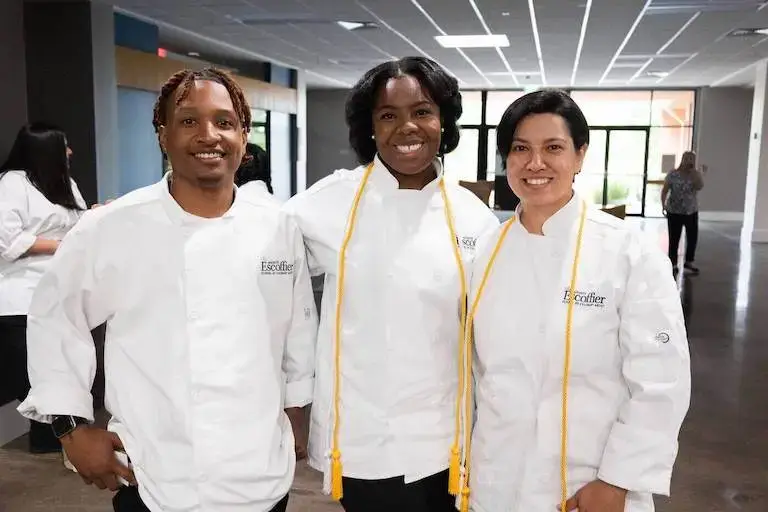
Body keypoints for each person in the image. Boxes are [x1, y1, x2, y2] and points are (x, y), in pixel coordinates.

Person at [18, 67, 318, 512]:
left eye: (224, 121)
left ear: (242, 136)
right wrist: (72, 428)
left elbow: (298, 331)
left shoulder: (276, 225)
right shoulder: (113, 226)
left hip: (260, 475)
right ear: (163, 135)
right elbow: (56, 317)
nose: (209, 135)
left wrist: (297, 415)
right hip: (154, 475)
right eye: (189, 121)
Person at [283, 56, 499, 512]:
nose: (407, 127)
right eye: (388, 115)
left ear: (443, 120)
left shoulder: (472, 216)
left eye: (422, 111)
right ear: (370, 128)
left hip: (450, 438)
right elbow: (262, 263)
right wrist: (292, 395)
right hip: (366, 440)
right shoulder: (330, 203)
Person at [462, 90, 691, 512]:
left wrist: (617, 481)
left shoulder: (628, 253)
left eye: (553, 148)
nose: (535, 163)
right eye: (520, 149)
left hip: (590, 486)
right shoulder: (486, 251)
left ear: (580, 155)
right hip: (496, 483)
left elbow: (661, 381)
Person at [0, 122, 86, 454]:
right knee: (29, 376)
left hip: (58, 293)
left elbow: (78, 227)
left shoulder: (65, 183)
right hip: (20, 297)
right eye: (64, 146)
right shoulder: (12, 184)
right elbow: (9, 241)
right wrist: (62, 244)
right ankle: (50, 440)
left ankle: (55, 442)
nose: (70, 152)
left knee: (57, 370)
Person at [661, 151, 705, 274]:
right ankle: (673, 263)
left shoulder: (695, 175)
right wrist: (663, 205)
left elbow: (700, 186)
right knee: (674, 238)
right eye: (688, 159)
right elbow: (665, 190)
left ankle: (689, 262)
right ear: (682, 159)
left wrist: (696, 175)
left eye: (692, 159)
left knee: (692, 238)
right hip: (674, 211)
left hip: (691, 211)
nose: (690, 161)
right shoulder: (673, 174)